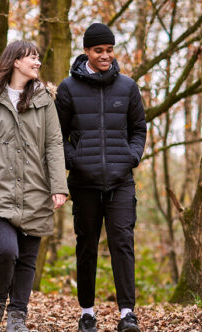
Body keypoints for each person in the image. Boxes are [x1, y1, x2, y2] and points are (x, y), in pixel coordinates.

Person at [0, 40, 68, 332]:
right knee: (6, 250)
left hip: (36, 189)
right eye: (32, 58)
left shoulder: (45, 99)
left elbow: (54, 144)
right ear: (15, 61)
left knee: (27, 260)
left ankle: (18, 315)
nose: (37, 63)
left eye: (38, 59)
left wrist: (59, 186)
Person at [55, 23, 147, 332]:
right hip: (84, 184)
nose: (105, 56)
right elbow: (57, 136)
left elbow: (139, 129)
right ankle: (87, 313)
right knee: (87, 246)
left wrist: (131, 157)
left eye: (109, 50)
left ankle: (127, 315)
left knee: (123, 244)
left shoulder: (128, 87)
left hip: (121, 183)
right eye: (99, 51)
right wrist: (76, 162)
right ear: (86, 52)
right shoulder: (68, 88)